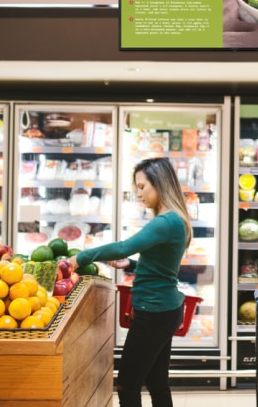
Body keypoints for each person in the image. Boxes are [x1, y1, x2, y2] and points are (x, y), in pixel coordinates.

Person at [69, 157, 192, 407]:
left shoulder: (165, 221)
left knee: (127, 385)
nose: (138, 193)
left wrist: (79, 258)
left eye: (142, 186)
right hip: (165, 309)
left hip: (154, 311)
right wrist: (133, 265)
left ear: (160, 184)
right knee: (157, 382)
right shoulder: (175, 219)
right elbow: (162, 269)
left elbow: (124, 246)